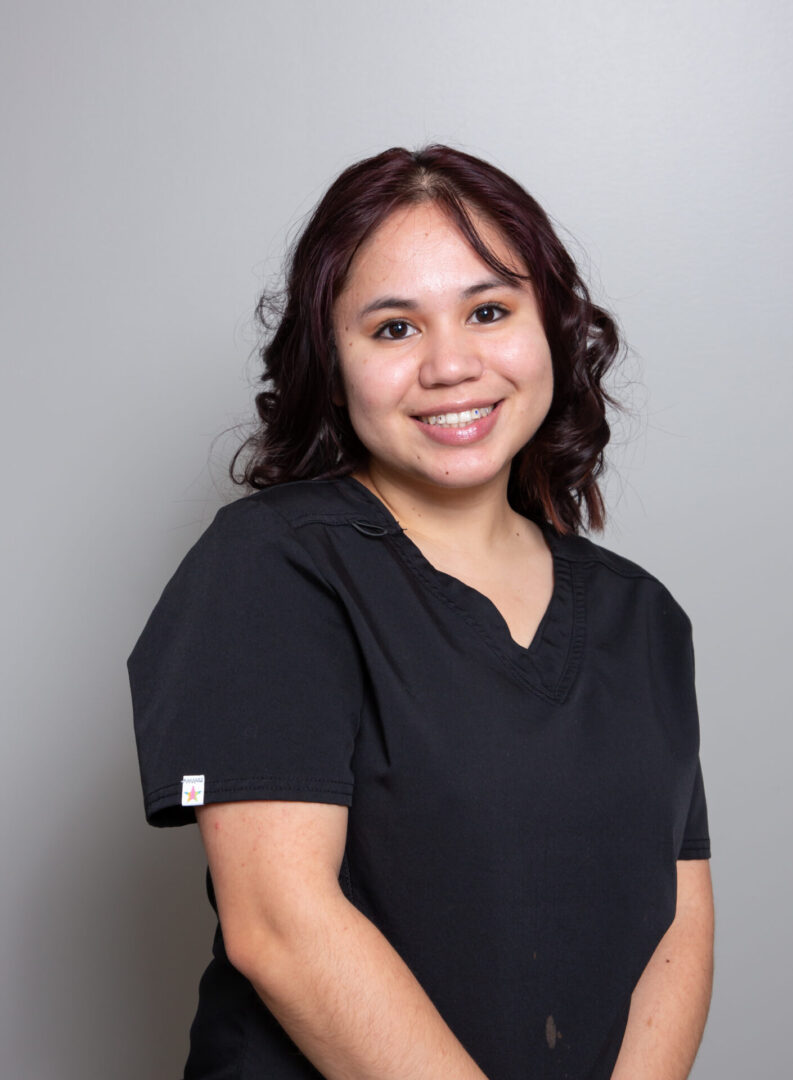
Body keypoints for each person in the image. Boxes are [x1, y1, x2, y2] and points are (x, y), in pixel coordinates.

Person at [128, 144, 714, 1080]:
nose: (451, 364)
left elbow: (677, 924)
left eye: (489, 311)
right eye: (394, 329)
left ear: (552, 330)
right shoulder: (271, 567)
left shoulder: (643, 620)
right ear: (334, 360)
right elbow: (281, 926)